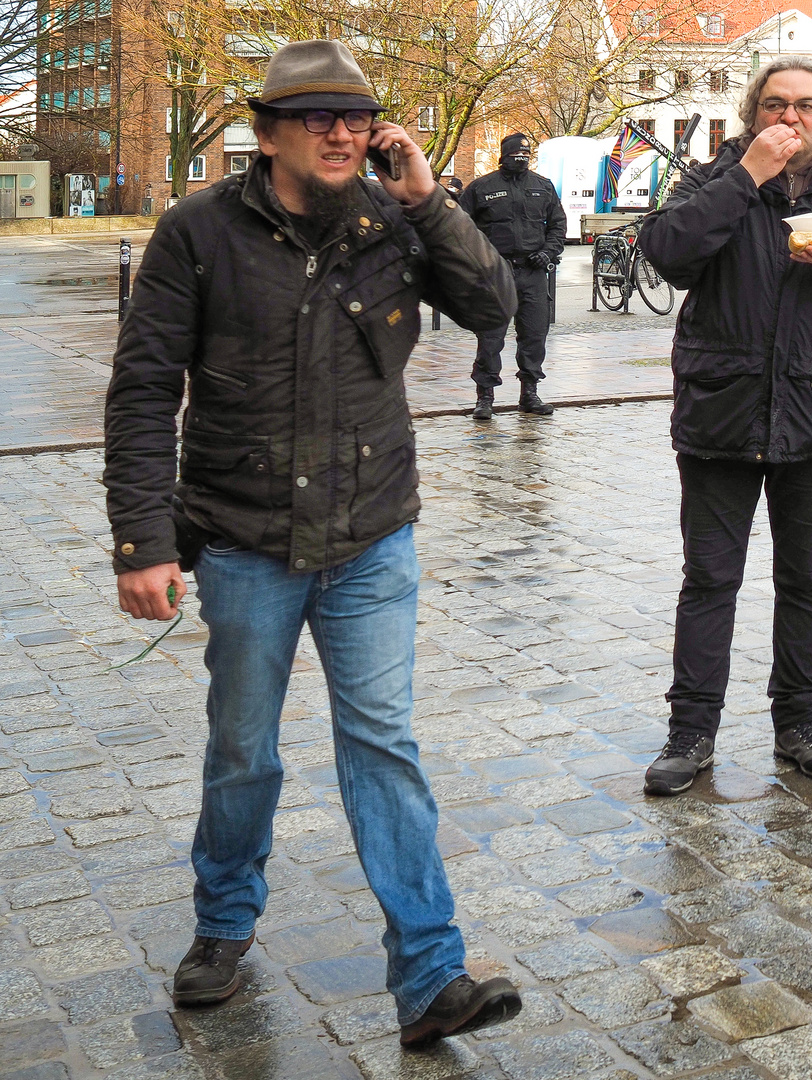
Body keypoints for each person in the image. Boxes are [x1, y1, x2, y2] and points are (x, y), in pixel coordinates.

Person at [103, 39, 521, 1046]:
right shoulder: (195, 233)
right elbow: (146, 388)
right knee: (245, 749)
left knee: (383, 743)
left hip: (372, 535)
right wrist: (142, 543)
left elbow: (494, 303)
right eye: (315, 117)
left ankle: (430, 976)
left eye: (356, 116)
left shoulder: (392, 222)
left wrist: (431, 202)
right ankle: (222, 923)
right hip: (244, 540)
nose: (341, 132)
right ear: (267, 132)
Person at [635, 56, 812, 796]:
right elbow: (666, 254)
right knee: (709, 579)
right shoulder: (715, 176)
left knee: (805, 579)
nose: (788, 118)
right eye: (774, 105)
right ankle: (690, 733)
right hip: (721, 409)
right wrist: (747, 178)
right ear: (753, 113)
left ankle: (801, 724)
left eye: (803, 105)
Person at [461, 133, 566, 418]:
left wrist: (548, 251)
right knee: (490, 337)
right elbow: (460, 228)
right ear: (503, 156)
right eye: (515, 155)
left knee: (534, 334)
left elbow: (558, 224)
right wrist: (482, 260)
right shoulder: (481, 187)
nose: (521, 159)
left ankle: (529, 393)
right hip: (496, 272)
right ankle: (485, 397)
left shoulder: (542, 186)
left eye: (525, 155)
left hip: (532, 272)